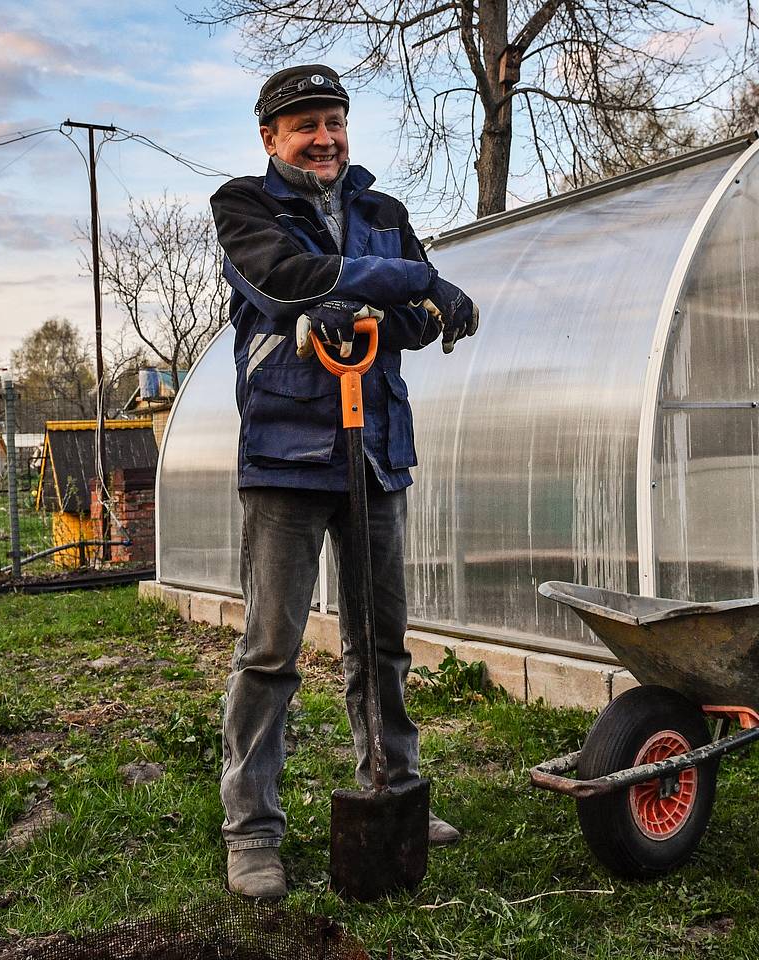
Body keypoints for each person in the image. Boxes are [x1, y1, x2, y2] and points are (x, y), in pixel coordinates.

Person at [210, 64, 479, 899]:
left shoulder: (382, 212)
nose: (323, 138)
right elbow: (282, 281)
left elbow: (411, 324)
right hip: (286, 457)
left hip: (374, 449)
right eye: (304, 126)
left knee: (381, 643)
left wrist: (370, 298)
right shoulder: (244, 207)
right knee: (271, 650)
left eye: (334, 121)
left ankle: (393, 790)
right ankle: (252, 829)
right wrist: (415, 281)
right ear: (270, 138)